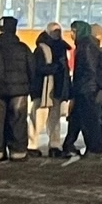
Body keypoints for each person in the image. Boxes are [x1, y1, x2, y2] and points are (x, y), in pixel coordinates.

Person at [0, 17, 41, 159]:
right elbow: (32, 69)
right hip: (19, 90)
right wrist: (30, 87)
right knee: (18, 119)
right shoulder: (23, 48)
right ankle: (18, 151)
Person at [66, 20, 102, 156]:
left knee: (89, 119)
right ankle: (69, 145)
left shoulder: (86, 46)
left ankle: (95, 149)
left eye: (73, 31)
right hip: (84, 87)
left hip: (87, 88)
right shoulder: (87, 44)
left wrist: (82, 86)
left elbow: (89, 69)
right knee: (76, 118)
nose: (71, 34)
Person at [33, 20, 71, 156]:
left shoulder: (62, 48)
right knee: (38, 117)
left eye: (59, 31)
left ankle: (55, 144)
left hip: (57, 87)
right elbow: (37, 68)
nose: (57, 34)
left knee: (54, 118)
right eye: (55, 31)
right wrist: (54, 68)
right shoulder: (41, 48)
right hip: (43, 88)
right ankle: (32, 144)